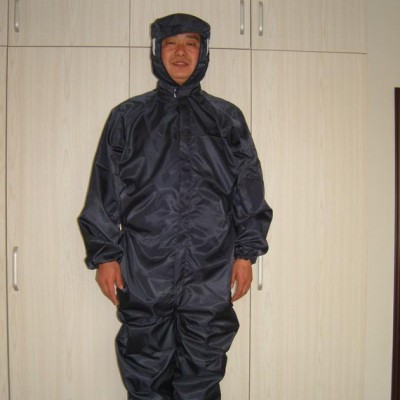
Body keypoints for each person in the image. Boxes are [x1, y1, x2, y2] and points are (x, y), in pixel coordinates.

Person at [78, 13, 272, 400]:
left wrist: (245, 254)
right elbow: (105, 187)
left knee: (203, 367)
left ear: (203, 53)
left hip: (210, 267)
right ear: (157, 51)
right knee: (144, 366)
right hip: (145, 266)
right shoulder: (127, 118)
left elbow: (248, 189)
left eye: (190, 44)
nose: (180, 53)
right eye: (171, 44)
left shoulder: (226, 118)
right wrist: (105, 256)